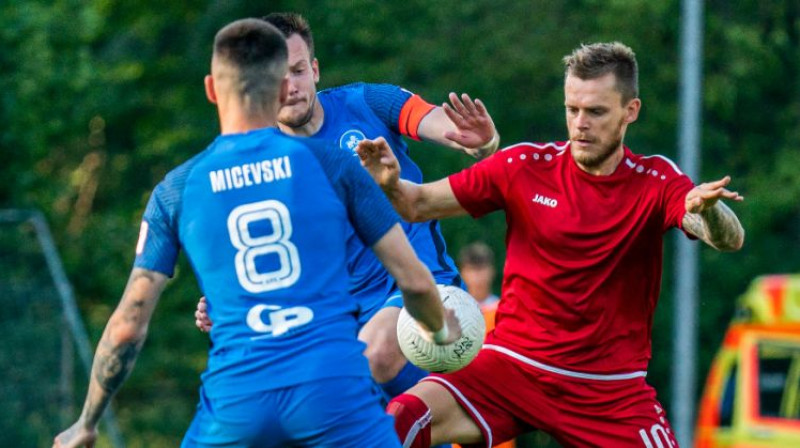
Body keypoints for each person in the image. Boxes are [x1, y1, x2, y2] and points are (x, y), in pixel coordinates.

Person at [53, 18, 460, 448]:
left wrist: (87, 421)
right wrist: (442, 334)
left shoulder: (177, 188)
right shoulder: (332, 164)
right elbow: (414, 279)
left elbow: (127, 327)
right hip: (328, 385)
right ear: (278, 89)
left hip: (237, 401)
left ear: (211, 89)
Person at [358, 42, 745, 448]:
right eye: (572, 109)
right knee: (402, 419)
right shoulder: (522, 166)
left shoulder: (655, 179)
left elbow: (728, 239)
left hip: (610, 393)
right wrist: (388, 184)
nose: (580, 124)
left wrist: (711, 211)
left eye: (595, 112)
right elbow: (416, 204)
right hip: (511, 368)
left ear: (630, 111)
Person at [194, 12, 499, 402]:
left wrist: (479, 142)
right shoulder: (259, 166)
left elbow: (444, 126)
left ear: (315, 70)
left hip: (417, 291)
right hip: (339, 316)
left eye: (299, 70)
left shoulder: (368, 104)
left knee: (371, 358)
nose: (290, 87)